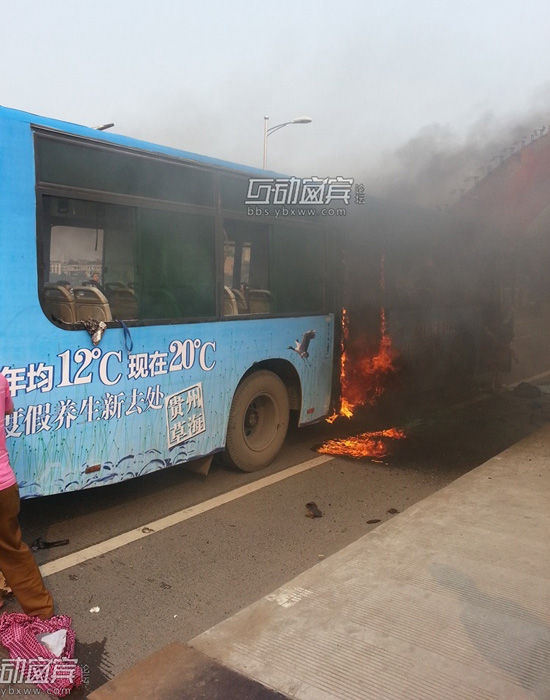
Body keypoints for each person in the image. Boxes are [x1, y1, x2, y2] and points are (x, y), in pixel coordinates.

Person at [0, 374, 54, 619]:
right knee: (13, 550)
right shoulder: (1, 379)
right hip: (4, 486)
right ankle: (42, 613)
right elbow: (8, 410)